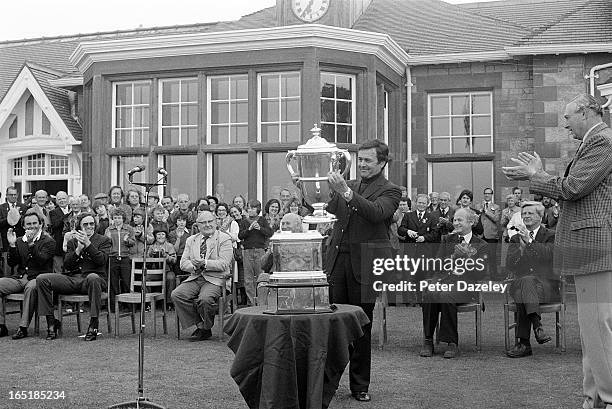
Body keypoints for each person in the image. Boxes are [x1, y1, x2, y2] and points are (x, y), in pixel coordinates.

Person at [502, 93, 612, 409]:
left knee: (597, 329)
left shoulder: (602, 141)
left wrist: (534, 176)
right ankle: (593, 398)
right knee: (594, 331)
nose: (564, 125)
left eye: (567, 117)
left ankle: (608, 397)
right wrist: (536, 175)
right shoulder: (595, 142)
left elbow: (572, 188)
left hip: (593, 247)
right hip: (590, 247)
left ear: (588, 113)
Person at [325, 139, 401, 402]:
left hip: (366, 267)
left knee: (360, 327)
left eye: (368, 160)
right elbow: (330, 208)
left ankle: (359, 386)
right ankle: (328, 383)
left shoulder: (392, 191)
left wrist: (345, 192)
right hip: (338, 263)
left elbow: (376, 213)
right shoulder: (352, 184)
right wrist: (315, 188)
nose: (362, 164)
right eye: (360, 160)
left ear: (382, 162)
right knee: (334, 326)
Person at [420, 207, 488, 359]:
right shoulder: (446, 240)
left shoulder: (481, 244)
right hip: (444, 281)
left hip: (467, 286)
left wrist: (467, 259)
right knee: (429, 292)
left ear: (471, 222)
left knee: (447, 294)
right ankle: (428, 340)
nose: (456, 223)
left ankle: (452, 343)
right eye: (454, 220)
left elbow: (482, 273)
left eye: (459, 220)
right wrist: (452, 257)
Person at [38, 213, 111, 341]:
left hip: (94, 280)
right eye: (86, 224)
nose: (89, 226)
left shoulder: (103, 240)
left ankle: (94, 324)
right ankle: (51, 322)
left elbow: (102, 261)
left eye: (91, 223)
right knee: (42, 279)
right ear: (80, 227)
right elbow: (67, 265)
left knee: (93, 277)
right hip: (74, 279)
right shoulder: (72, 242)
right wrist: (77, 250)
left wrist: (88, 245)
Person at [505, 201, 557, 358]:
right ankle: (537, 327)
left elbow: (549, 256)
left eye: (530, 213)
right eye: (524, 214)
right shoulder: (515, 239)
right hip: (523, 284)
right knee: (525, 284)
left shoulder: (550, 235)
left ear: (540, 216)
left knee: (523, 292)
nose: (526, 216)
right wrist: (521, 250)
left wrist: (530, 242)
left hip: (545, 286)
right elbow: (510, 265)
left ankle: (523, 344)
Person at [171, 211, 233, 341]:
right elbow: (183, 263)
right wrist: (194, 266)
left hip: (216, 279)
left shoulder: (224, 239)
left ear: (216, 222)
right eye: (203, 222)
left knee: (205, 299)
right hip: (196, 276)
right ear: (198, 226)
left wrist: (204, 263)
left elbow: (224, 264)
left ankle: (205, 328)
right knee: (177, 294)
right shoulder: (191, 240)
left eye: (210, 221)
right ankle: (201, 325)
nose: (207, 225)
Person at [0, 209, 55, 339]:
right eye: (28, 224)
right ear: (23, 226)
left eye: (34, 223)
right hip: (20, 278)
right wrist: (12, 245)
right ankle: (1, 326)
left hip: (39, 278)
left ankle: (23, 327)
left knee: (30, 288)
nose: (32, 226)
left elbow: (41, 261)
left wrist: (31, 244)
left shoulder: (48, 241)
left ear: (40, 224)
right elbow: (13, 263)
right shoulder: (19, 240)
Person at [237, 200, 273, 306]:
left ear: (258, 209)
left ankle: (261, 302)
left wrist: (260, 228)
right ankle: (251, 302)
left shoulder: (262, 220)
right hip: (247, 251)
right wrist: (249, 229)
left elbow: (269, 233)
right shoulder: (244, 221)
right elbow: (240, 236)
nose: (250, 210)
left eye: (253, 208)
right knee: (248, 279)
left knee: (260, 277)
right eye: (249, 208)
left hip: (260, 250)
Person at [105, 208, 135, 310]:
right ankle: (114, 307)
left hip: (125, 257)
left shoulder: (129, 229)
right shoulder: (109, 229)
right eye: (115, 218)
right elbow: (105, 244)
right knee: (113, 282)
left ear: (123, 219)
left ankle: (129, 305)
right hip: (113, 258)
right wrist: (108, 239)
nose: (117, 220)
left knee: (126, 282)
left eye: (119, 218)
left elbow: (133, 242)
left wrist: (127, 241)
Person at [1, 186, 28, 276]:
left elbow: (26, 224)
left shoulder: (23, 207)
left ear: (17, 195)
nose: (13, 196)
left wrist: (20, 218)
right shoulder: (1, 208)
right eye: (11, 194)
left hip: (20, 241)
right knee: (7, 267)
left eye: (15, 194)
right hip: (6, 241)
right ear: (7, 195)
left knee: (19, 265)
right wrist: (10, 217)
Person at [479, 187, 501, 279]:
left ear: (491, 195)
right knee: (480, 257)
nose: (487, 195)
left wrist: (487, 211)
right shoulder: (478, 206)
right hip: (480, 235)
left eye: (489, 193)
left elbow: (496, 219)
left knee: (492, 256)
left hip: (491, 235)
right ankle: (481, 275)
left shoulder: (496, 207)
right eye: (485, 193)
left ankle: (493, 275)